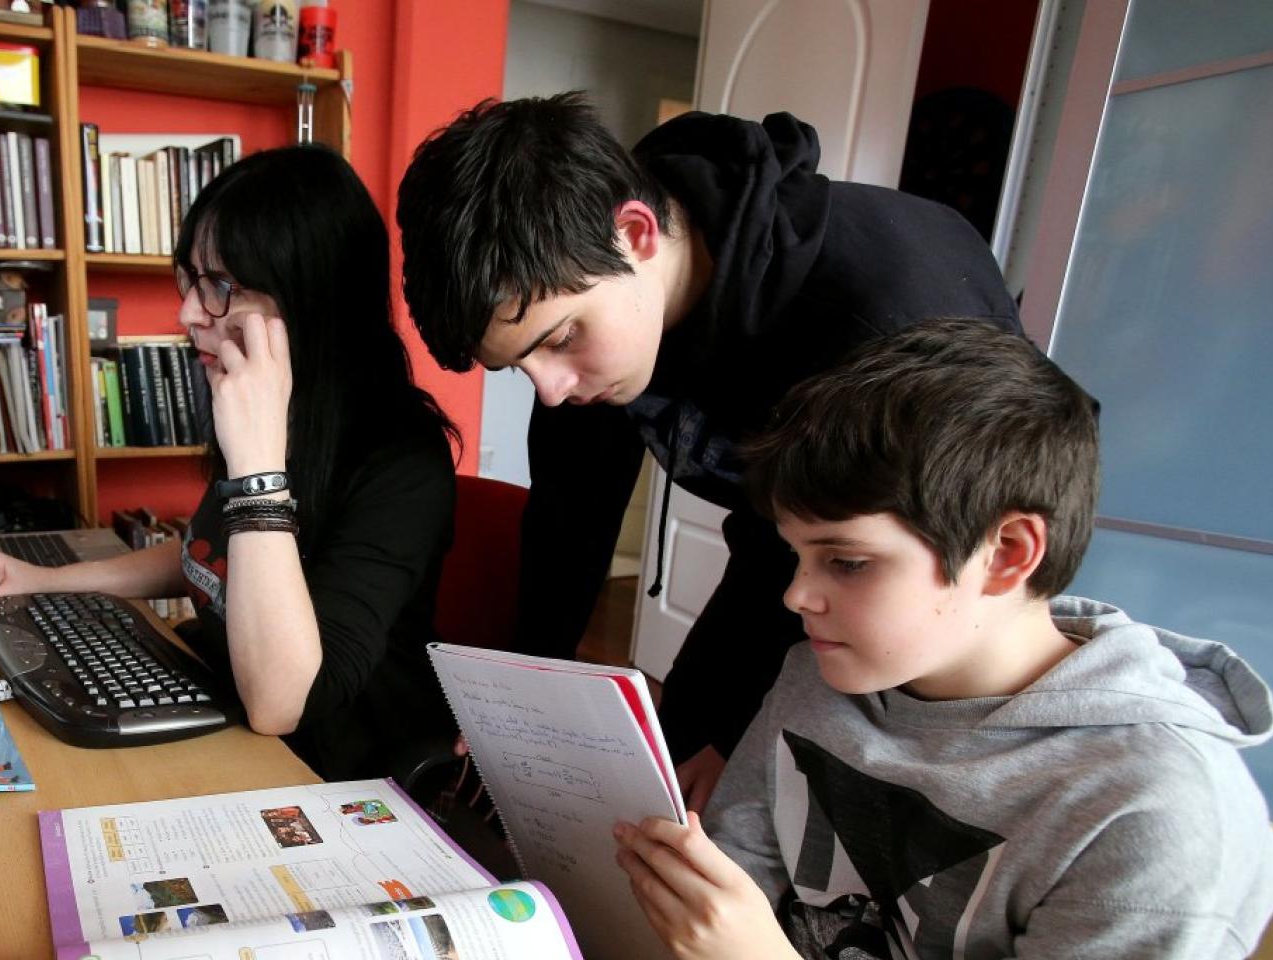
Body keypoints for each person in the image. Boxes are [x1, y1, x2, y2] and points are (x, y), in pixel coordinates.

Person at [609, 320, 1273, 960]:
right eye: (796, 555)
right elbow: (745, 872)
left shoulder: (1157, 814)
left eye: (845, 561)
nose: (796, 596)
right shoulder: (830, 667)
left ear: (1009, 554)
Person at [395, 93, 1021, 810]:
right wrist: (524, 703)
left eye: (561, 339)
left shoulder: (882, 313)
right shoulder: (592, 297)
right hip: (789, 557)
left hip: (931, 604)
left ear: (635, 233)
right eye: (518, 366)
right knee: (676, 770)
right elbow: (570, 520)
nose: (552, 389)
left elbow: (851, 566)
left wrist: (732, 730)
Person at [0, 146, 459, 780]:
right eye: (192, 279)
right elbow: (206, 556)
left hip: (320, 769)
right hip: (220, 712)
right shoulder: (276, 408)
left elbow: (284, 704)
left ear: (311, 298)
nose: (186, 314)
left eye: (222, 288)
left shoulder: (402, 457)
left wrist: (259, 466)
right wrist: (40, 580)